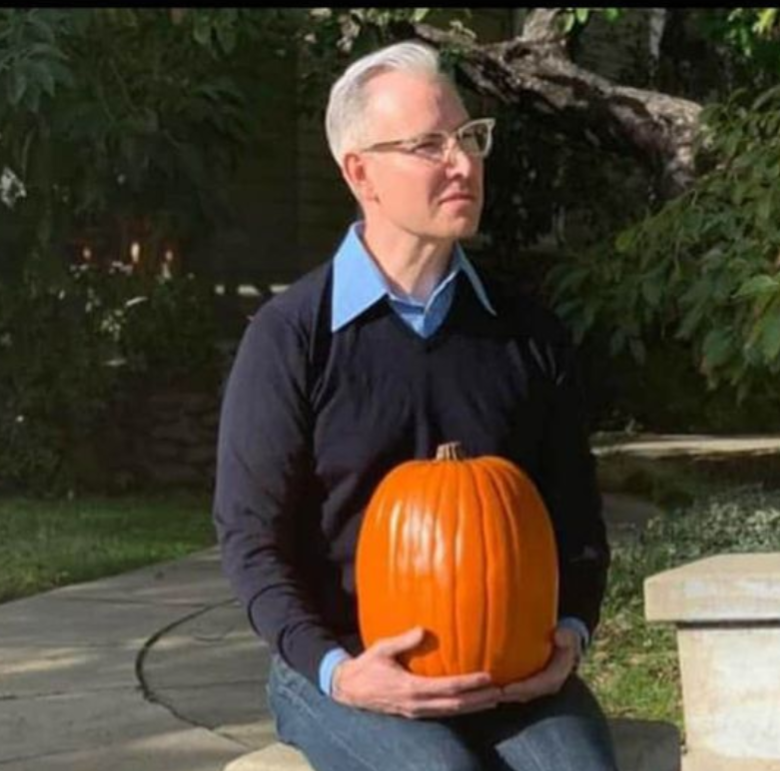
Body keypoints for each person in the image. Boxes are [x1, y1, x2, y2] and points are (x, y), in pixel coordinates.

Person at [213, 40, 616, 771]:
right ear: (359, 171)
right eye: (429, 144)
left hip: (512, 672)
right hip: (342, 665)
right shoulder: (293, 337)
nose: (462, 163)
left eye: (469, 137)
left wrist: (570, 631)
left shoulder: (525, 333)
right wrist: (338, 670)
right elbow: (249, 539)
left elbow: (578, 525)